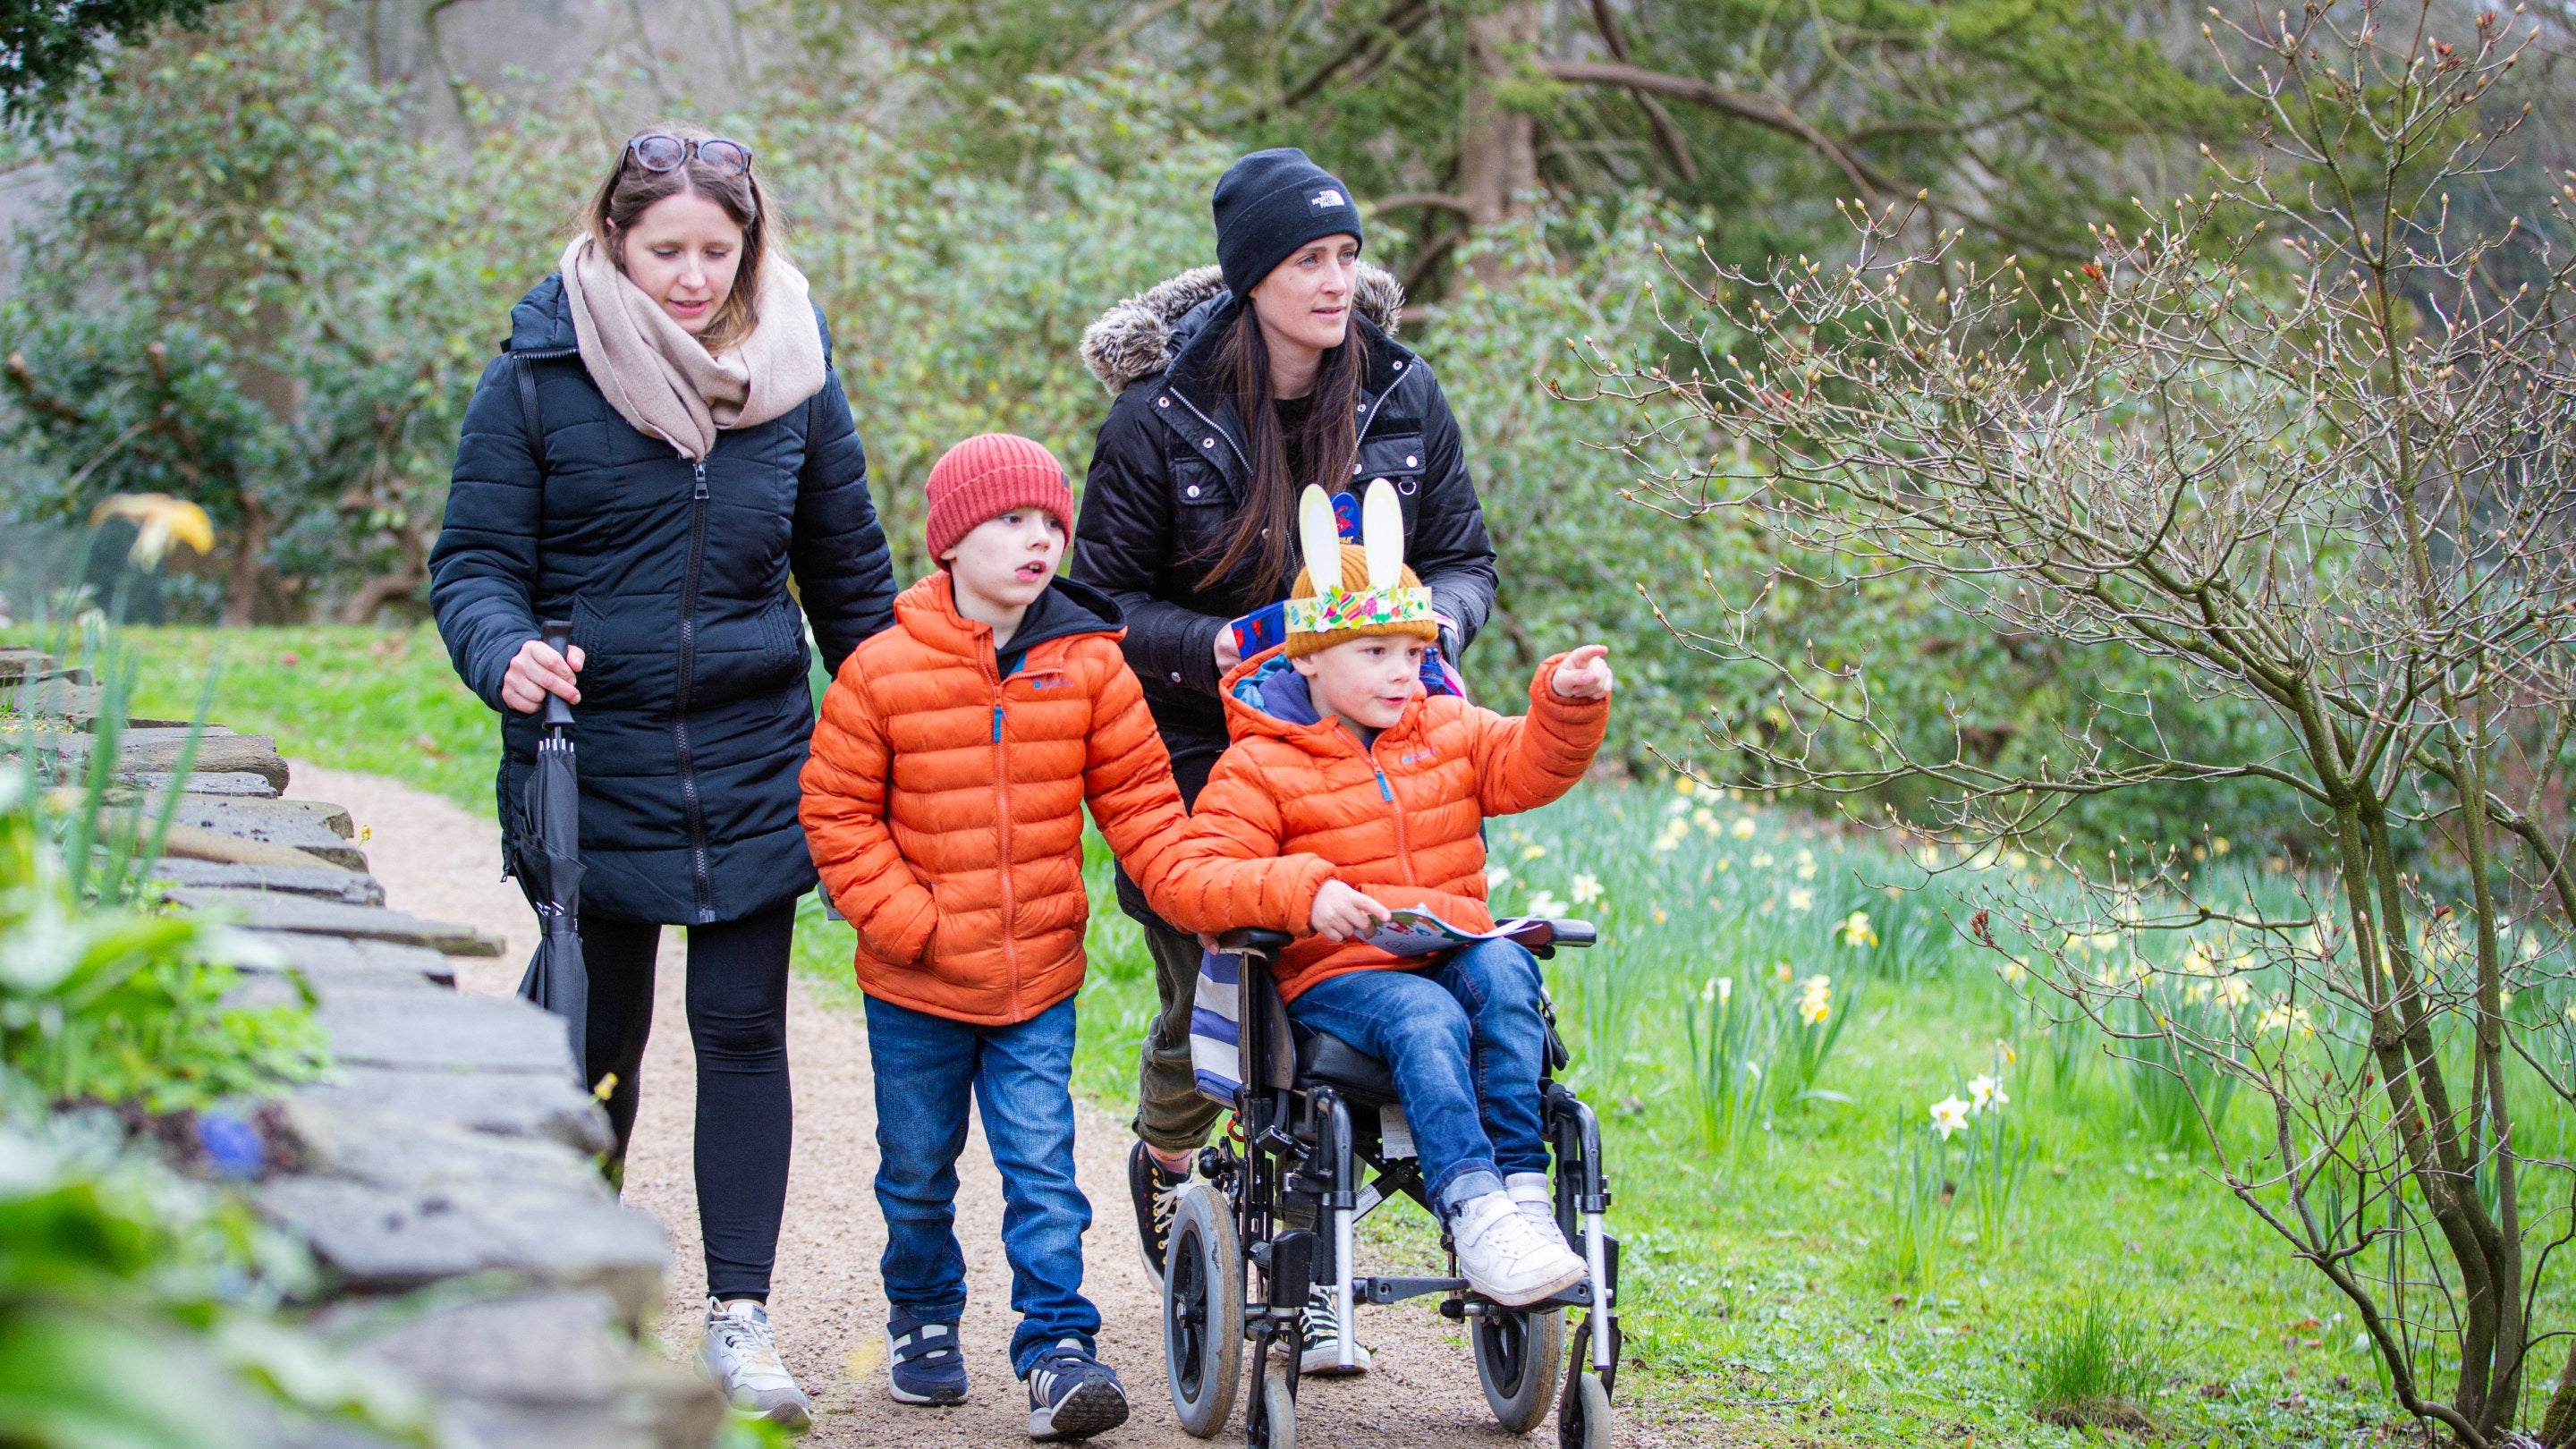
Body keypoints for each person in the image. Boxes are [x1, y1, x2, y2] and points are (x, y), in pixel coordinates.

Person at [429, 123, 896, 1429]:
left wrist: (903, 727)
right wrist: (504, 650)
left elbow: (851, 582)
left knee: (745, 1026)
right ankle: (574, 1296)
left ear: (752, 243)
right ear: (615, 239)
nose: (693, 277)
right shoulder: (537, 375)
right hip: (594, 749)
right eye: (665, 250)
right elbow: (470, 563)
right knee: (600, 1025)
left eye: (717, 249)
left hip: (756, 750)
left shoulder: (797, 377)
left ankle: (739, 1321)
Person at [1071, 145, 1499, 1370]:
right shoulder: (1160, 420)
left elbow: (1465, 557)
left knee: (1363, 969)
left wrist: (1438, 629)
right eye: (1309, 259)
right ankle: (1168, 1148)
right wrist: (1218, 648)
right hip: (1204, 750)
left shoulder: (1404, 395)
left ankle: (1330, 1226)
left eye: (1347, 255)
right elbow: (1097, 607)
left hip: (1379, 738)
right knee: (1223, 990)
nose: (1335, 280)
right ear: (1251, 276)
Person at [799, 434, 1307, 1439]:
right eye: (1009, 523)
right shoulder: (881, 671)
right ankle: (925, 1317)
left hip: (1039, 979)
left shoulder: (1090, 666)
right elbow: (837, 816)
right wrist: (914, 924)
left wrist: (1208, 892)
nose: (1037, 540)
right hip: (917, 984)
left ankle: (1058, 1348)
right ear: (949, 544)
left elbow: (1146, 812)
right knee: (915, 1165)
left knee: (1043, 1167)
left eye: (1048, 523)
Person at [1151, 484, 1614, 1306]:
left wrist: (1567, 706)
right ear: (1308, 658)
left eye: (1412, 651)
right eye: (1375, 653)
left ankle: (1523, 1201)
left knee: (1507, 973)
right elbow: (1192, 881)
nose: (1403, 672)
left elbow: (1528, 765)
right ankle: (1474, 1209)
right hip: (1337, 981)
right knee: (1423, 1014)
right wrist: (1305, 892)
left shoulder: (1448, 729)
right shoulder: (1262, 765)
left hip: (1447, 947)